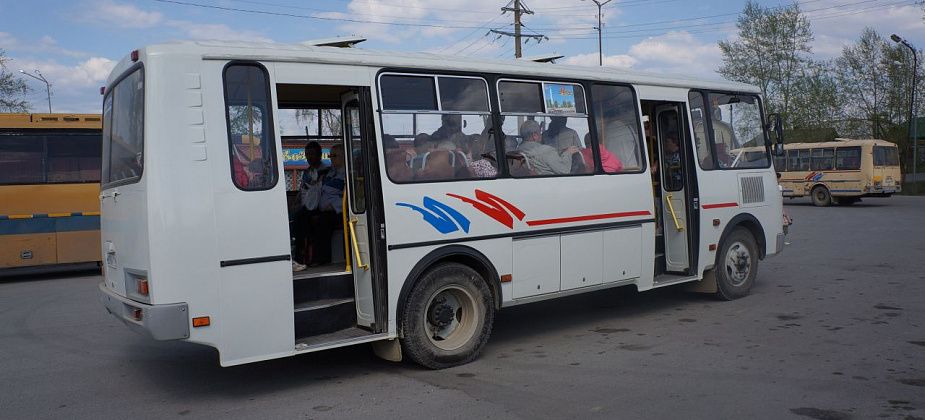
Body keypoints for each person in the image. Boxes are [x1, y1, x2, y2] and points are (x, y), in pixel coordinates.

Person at [290, 141, 329, 270]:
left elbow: (323, 193)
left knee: (301, 219)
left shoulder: (326, 171)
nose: (309, 158)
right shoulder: (307, 172)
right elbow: (302, 189)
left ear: (320, 155)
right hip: (307, 205)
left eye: (312, 154)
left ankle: (300, 257)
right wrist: (296, 203)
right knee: (295, 216)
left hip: (320, 207)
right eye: (307, 155)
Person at [306, 144, 346, 266]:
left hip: (337, 211)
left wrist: (334, 206)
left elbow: (347, 196)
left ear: (344, 156)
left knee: (322, 222)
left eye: (334, 156)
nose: (331, 158)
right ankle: (301, 256)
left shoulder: (347, 174)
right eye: (330, 155)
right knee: (302, 217)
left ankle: (321, 258)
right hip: (323, 208)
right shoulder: (329, 173)